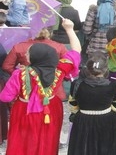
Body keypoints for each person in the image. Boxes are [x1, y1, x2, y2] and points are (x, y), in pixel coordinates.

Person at [0, 19, 81, 155]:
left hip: (24, 110)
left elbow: (5, 96)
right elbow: (76, 51)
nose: (26, 55)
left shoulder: (19, 74)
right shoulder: (60, 70)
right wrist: (70, 29)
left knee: (23, 141)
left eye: (28, 54)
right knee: (48, 139)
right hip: (51, 108)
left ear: (34, 58)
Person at [67, 54, 116, 155]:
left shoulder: (76, 84)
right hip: (106, 121)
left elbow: (73, 104)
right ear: (106, 69)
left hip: (83, 121)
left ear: (88, 69)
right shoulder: (113, 85)